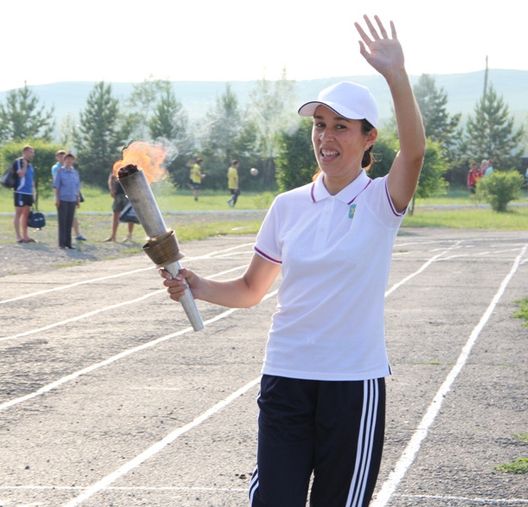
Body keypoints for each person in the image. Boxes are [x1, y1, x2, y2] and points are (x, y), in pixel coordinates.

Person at [161, 14, 425, 506]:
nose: (326, 137)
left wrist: (396, 74)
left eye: (341, 127)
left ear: (369, 138)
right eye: (320, 125)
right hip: (286, 377)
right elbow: (250, 291)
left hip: (351, 384)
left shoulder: (380, 202)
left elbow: (414, 153)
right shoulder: (287, 206)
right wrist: (196, 284)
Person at [52, 149, 86, 241]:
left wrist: (77, 197)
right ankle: (64, 240)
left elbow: (76, 185)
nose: (63, 158)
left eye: (63, 155)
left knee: (72, 217)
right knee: (64, 219)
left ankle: (73, 236)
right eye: (60, 156)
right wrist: (57, 198)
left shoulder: (74, 171)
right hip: (63, 196)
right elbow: (57, 185)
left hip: (71, 197)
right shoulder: (57, 169)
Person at [13, 145, 37, 244]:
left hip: (28, 192)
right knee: (18, 213)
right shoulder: (19, 161)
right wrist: (25, 165)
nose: (33, 154)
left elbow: (32, 180)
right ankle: (18, 237)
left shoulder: (31, 165)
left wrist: (33, 192)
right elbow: (21, 174)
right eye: (31, 152)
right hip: (20, 191)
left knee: (26, 215)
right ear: (25, 152)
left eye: (33, 152)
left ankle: (26, 236)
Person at [104, 171, 134, 242]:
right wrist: (112, 189)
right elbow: (111, 178)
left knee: (130, 216)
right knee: (116, 215)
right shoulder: (117, 166)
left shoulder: (131, 167)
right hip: (118, 194)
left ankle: (129, 235)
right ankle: (113, 236)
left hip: (128, 194)